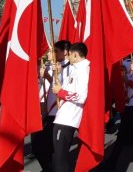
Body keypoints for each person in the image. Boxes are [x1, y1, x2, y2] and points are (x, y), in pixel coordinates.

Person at [101, 46, 133, 169]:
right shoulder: (130, 65)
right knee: (128, 135)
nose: (131, 56)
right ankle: (112, 163)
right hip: (129, 103)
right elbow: (126, 81)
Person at [32, 40, 71, 172]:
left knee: (53, 151)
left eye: (54, 51)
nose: (50, 53)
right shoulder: (48, 67)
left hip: (58, 115)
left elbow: (62, 89)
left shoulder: (70, 68)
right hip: (45, 112)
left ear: (65, 52)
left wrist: (48, 75)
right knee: (38, 148)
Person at [51, 43, 90, 172]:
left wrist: (61, 92)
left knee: (60, 158)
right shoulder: (76, 69)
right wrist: (58, 80)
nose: (68, 57)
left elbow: (81, 96)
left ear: (75, 54)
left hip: (68, 119)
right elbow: (65, 89)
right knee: (58, 157)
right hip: (63, 116)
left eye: (70, 55)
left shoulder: (84, 70)